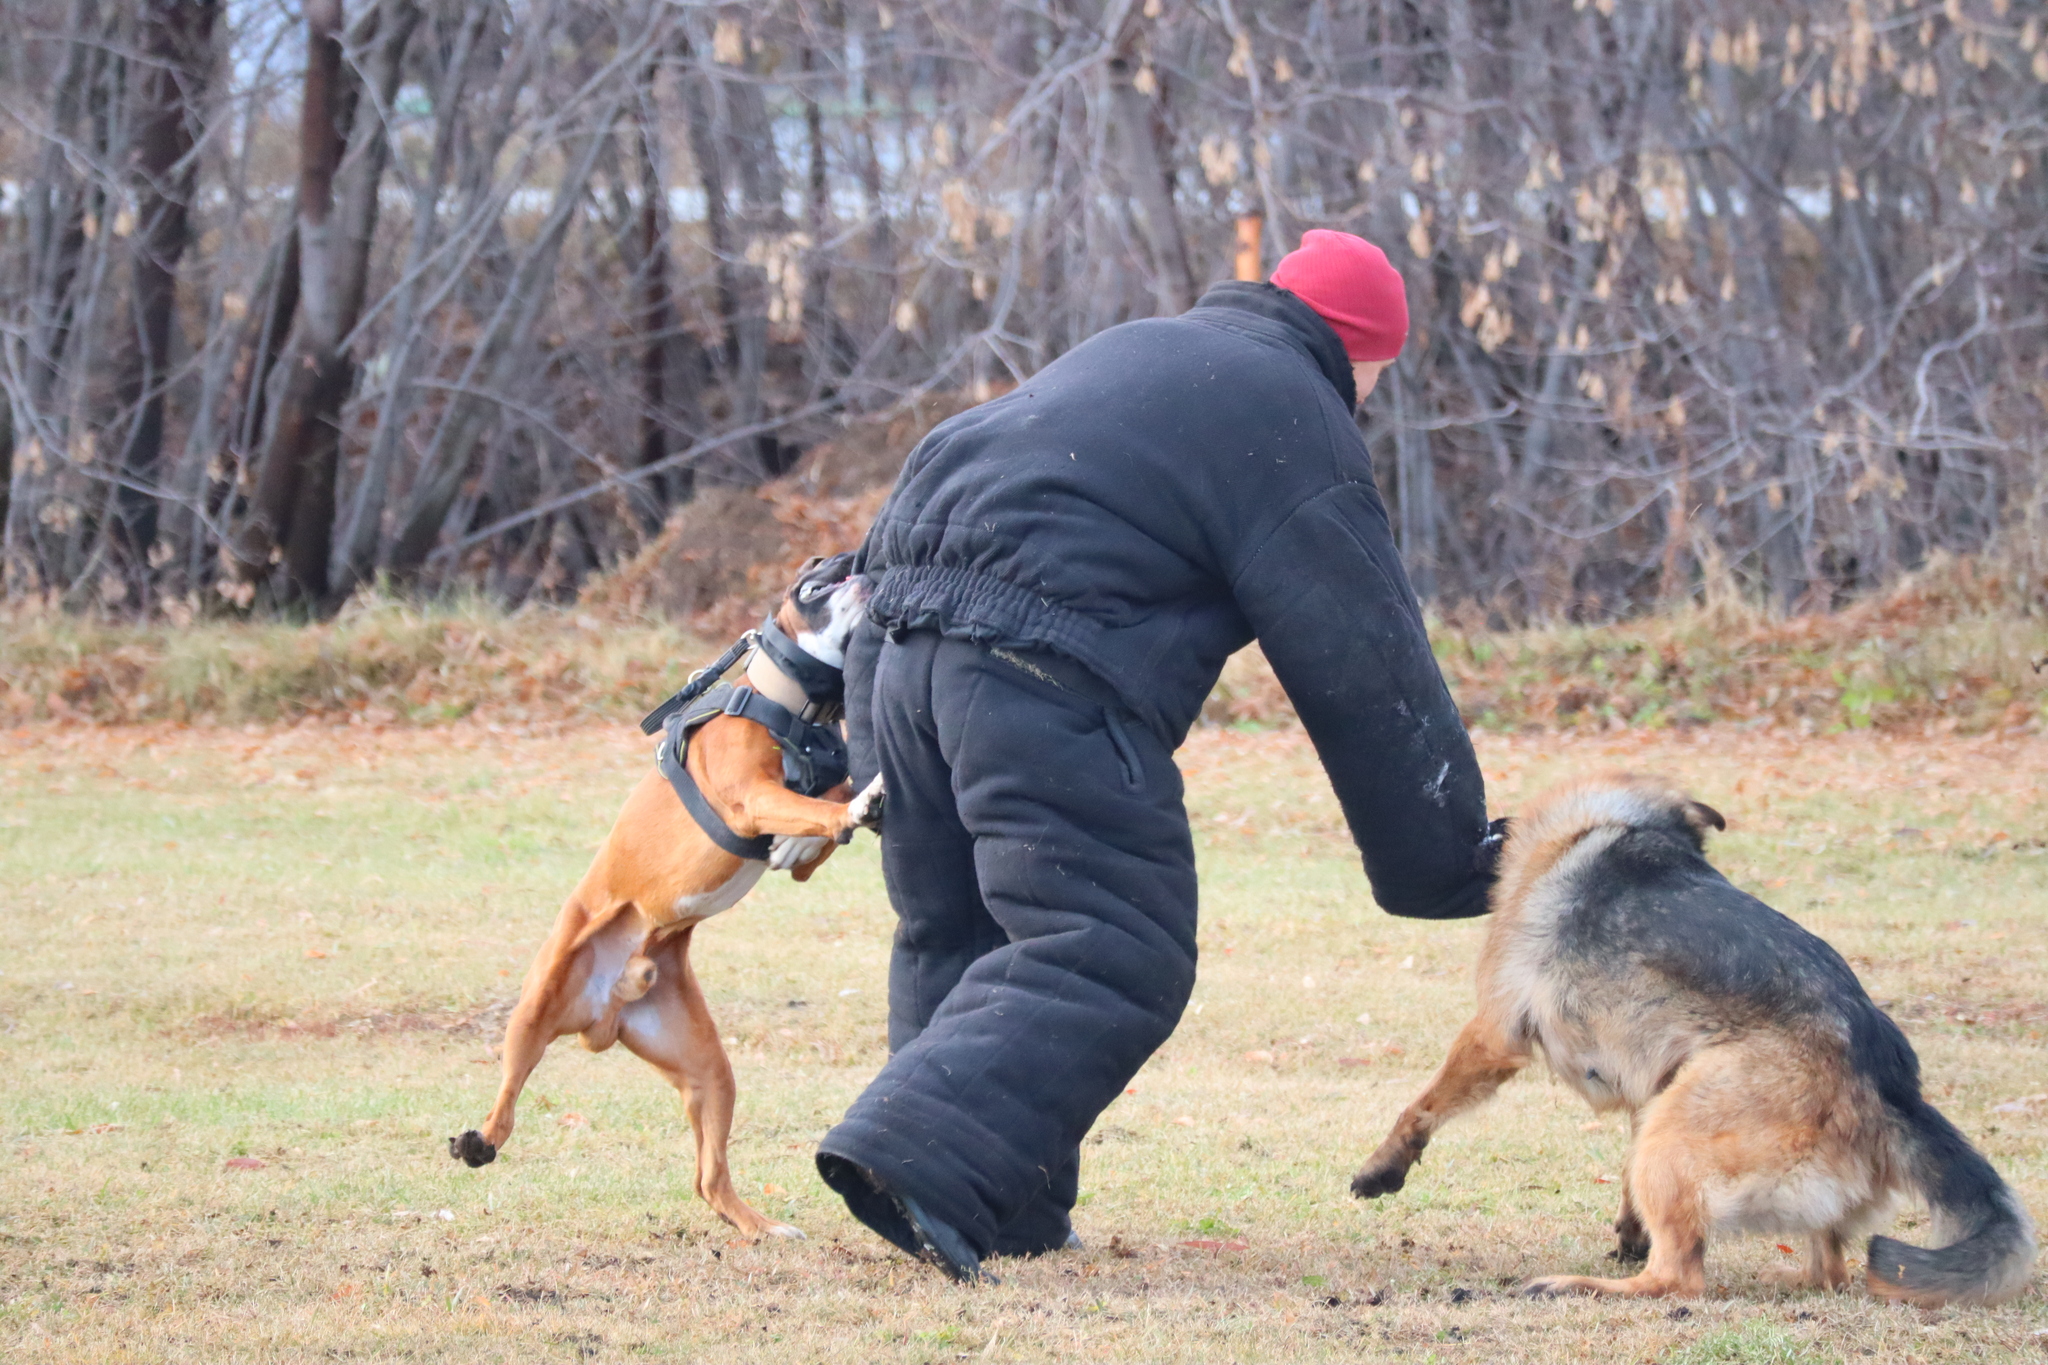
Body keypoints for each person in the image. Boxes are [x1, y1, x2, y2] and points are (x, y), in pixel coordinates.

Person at [816, 230, 1499, 1281]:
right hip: (1034, 670)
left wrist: (857, 736)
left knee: (963, 927)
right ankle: (912, 1161)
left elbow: (925, 503)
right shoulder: (1291, 412)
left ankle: (1003, 1208)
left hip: (895, 649)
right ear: (1363, 352)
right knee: (1110, 942)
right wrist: (1442, 859)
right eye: (1377, 377)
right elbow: (1363, 663)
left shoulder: (1135, 351)